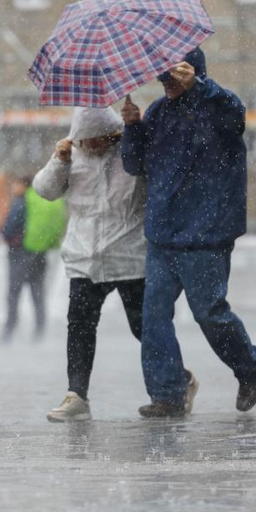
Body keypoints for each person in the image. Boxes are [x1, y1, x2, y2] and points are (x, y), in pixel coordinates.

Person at [121, 47, 256, 418]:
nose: (167, 83)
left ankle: (250, 366)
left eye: (173, 75)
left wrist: (202, 87)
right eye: (162, 76)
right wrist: (132, 127)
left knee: (210, 314)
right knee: (153, 315)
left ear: (192, 71)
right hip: (163, 235)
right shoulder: (156, 113)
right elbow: (135, 164)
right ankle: (168, 393)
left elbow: (235, 116)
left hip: (207, 233)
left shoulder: (218, 105)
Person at [33, 107, 199, 422]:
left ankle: (178, 381)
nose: (91, 148)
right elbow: (44, 189)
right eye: (85, 142)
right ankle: (77, 395)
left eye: (98, 141)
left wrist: (137, 128)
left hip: (130, 257)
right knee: (80, 329)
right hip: (85, 259)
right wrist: (59, 160)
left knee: (145, 329)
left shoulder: (132, 152)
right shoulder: (70, 156)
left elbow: (164, 181)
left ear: (113, 135)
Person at [0, 175, 66, 344]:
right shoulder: (42, 200)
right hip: (40, 252)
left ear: (23, 185)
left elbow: (9, 228)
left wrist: (5, 233)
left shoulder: (22, 202)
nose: (13, 188)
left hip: (20, 252)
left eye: (15, 184)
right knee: (37, 293)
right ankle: (39, 331)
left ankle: (9, 330)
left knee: (14, 293)